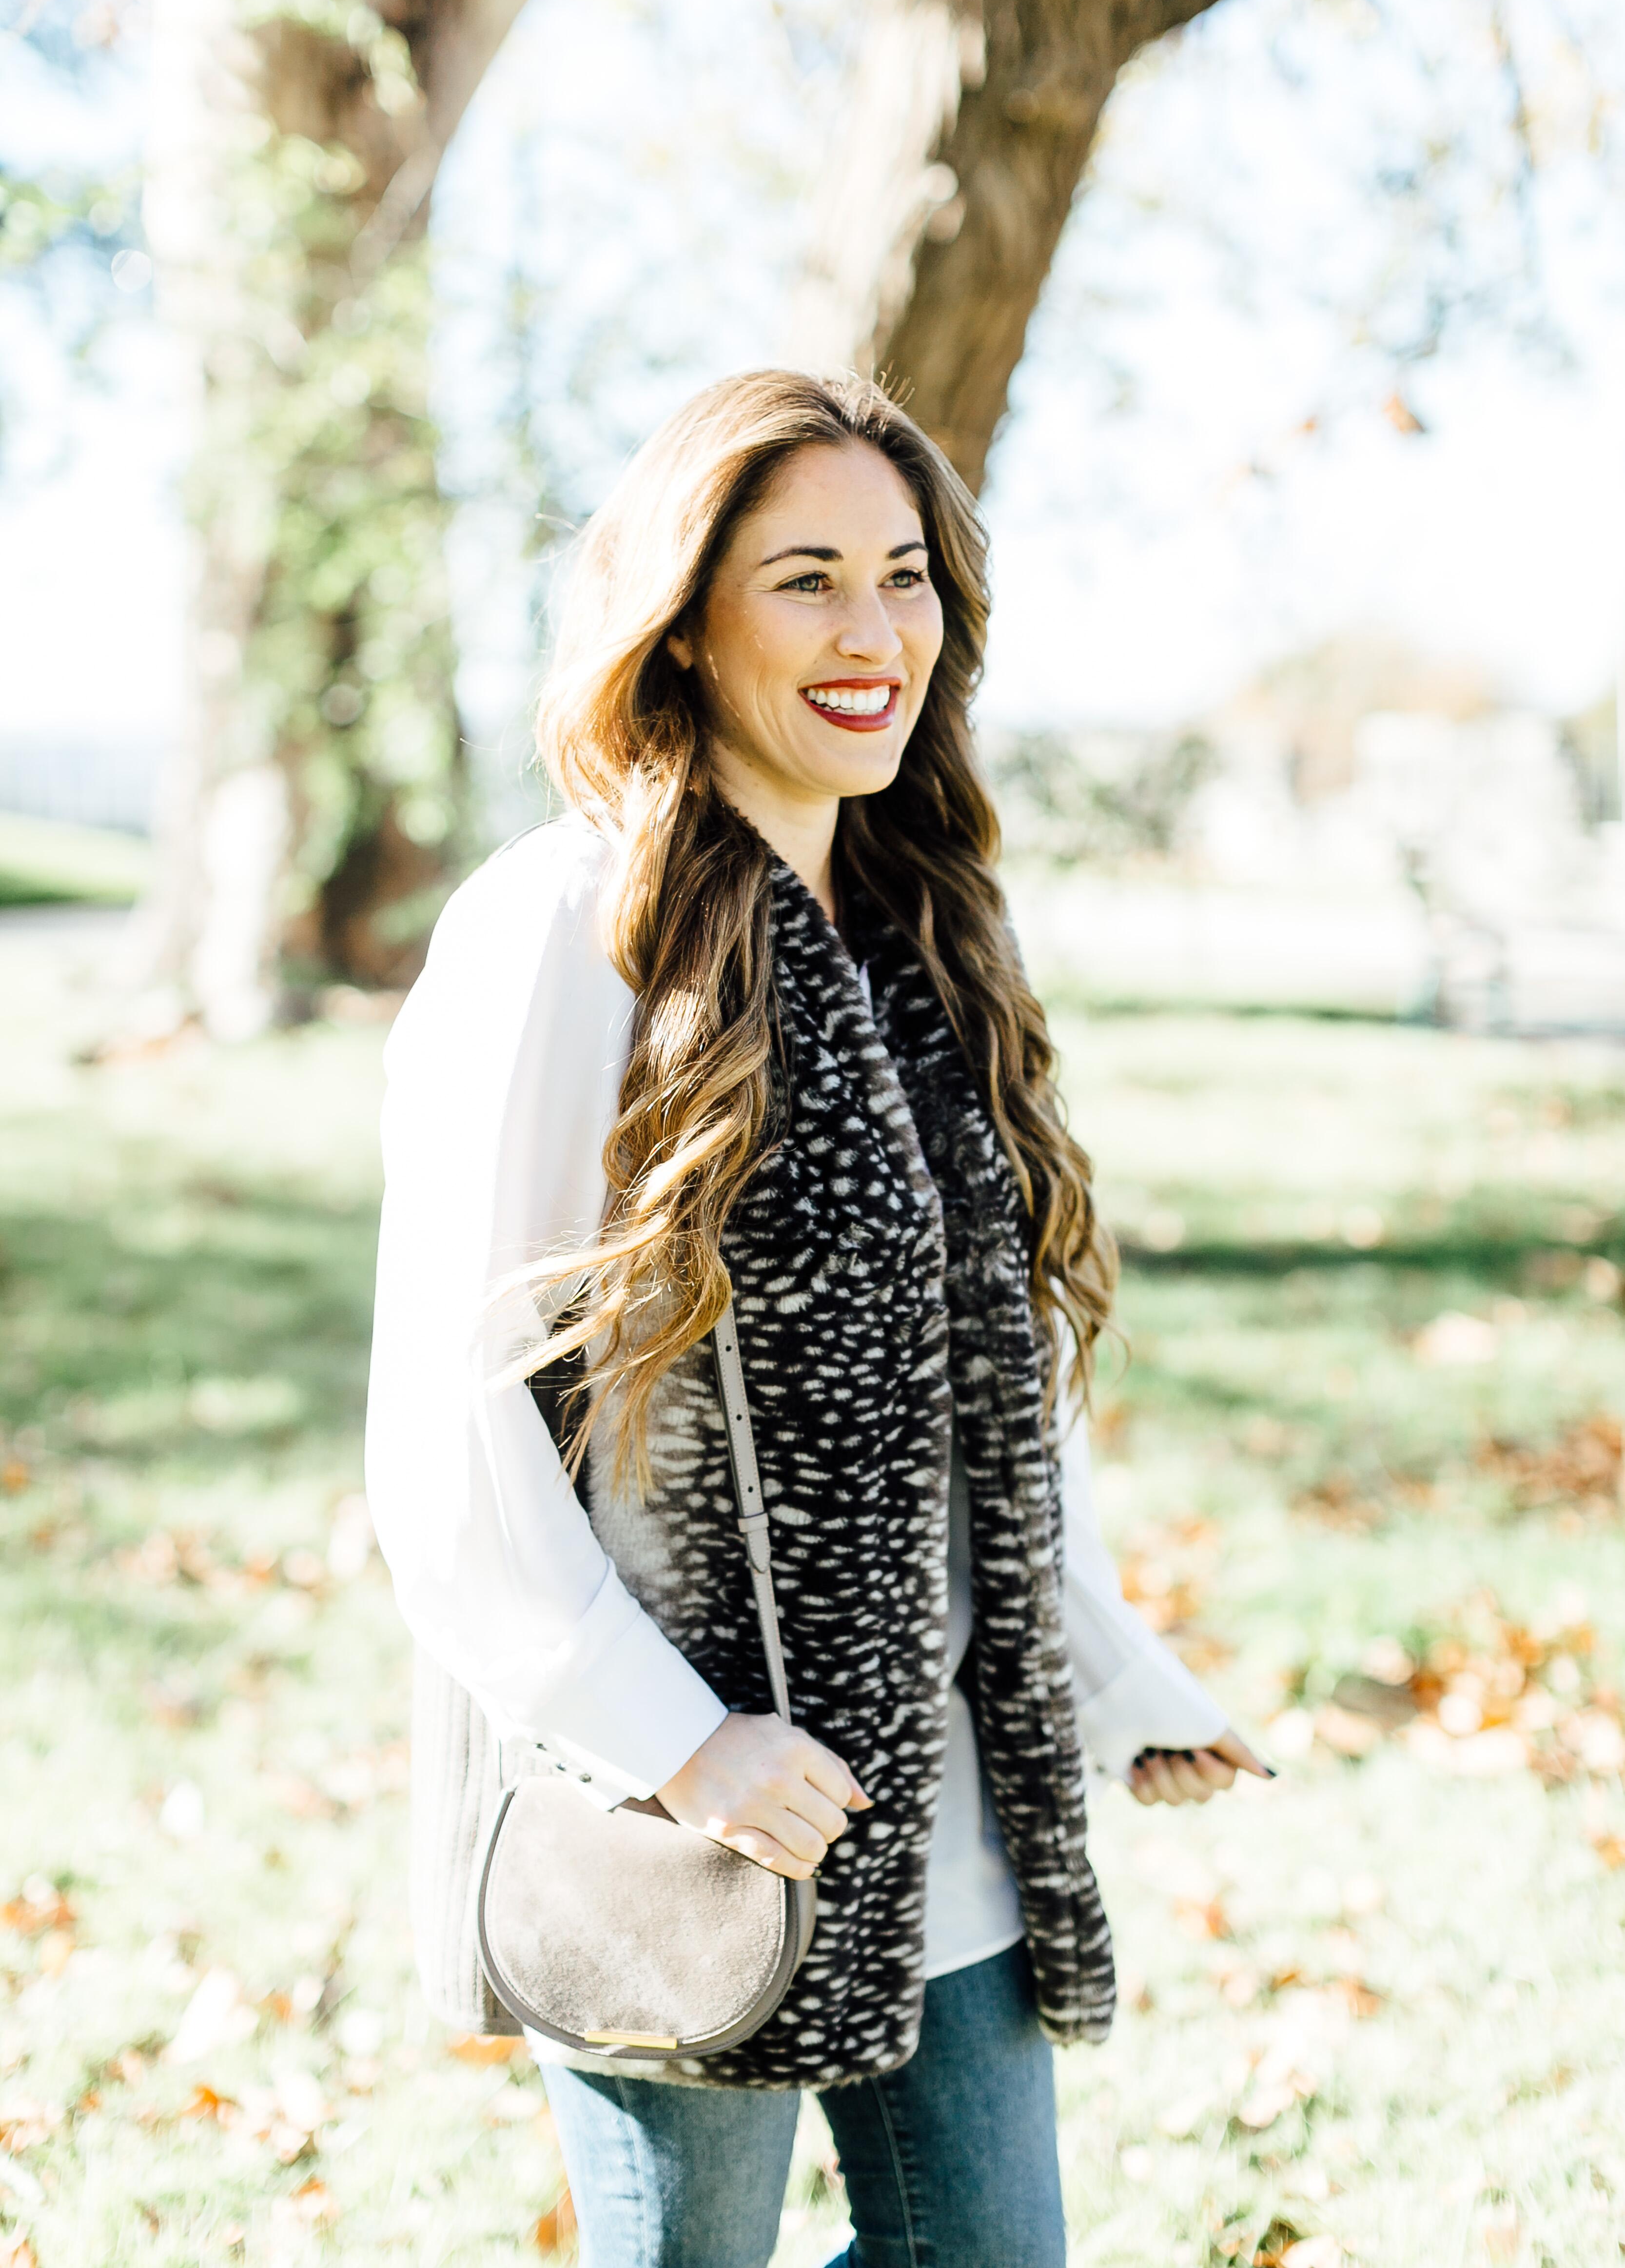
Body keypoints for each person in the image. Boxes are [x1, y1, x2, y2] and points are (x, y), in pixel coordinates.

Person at [365, 369, 1269, 2268]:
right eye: (807, 580)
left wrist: (1114, 1670)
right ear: (683, 618)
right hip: (681, 1799)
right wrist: (674, 1737)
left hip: (944, 1780)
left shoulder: (924, 923)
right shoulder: (561, 923)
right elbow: (451, 1410)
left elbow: (993, 1385)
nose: (875, 636)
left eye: (906, 575)